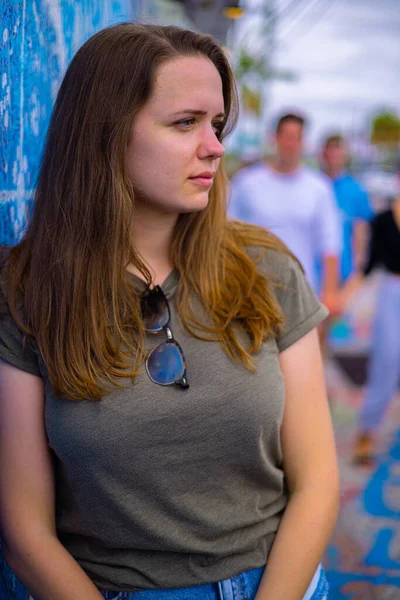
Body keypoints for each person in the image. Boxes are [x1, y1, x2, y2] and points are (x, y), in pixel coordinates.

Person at [0, 23, 339, 600]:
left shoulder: (266, 270)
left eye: (215, 124)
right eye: (186, 123)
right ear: (106, 134)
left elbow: (318, 482)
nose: (215, 146)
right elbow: (25, 526)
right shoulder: (28, 290)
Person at [228, 113, 342, 315]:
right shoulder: (247, 183)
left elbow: (330, 243)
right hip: (253, 293)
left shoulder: (318, 187)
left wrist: (330, 292)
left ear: (303, 142)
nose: (291, 143)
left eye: (296, 137)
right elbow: (227, 233)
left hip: (302, 294)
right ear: (275, 138)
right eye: (286, 136)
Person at [341, 192, 400, 464]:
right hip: (392, 291)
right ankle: (367, 432)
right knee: (386, 361)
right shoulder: (384, 219)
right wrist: (342, 296)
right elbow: (370, 263)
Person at [321, 134, 374, 284]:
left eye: (337, 152)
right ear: (323, 154)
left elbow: (360, 231)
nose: (333, 156)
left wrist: (358, 269)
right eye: (330, 151)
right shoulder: (311, 185)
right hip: (313, 269)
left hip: (342, 271)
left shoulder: (356, 189)